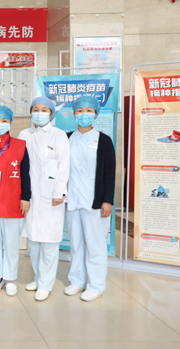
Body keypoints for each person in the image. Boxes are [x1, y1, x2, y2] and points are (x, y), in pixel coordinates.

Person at [64, 95, 115, 302]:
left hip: (95, 202)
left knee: (95, 245)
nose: (84, 114)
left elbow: (109, 173)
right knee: (76, 243)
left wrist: (107, 200)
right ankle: (77, 281)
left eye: (88, 110)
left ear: (95, 113)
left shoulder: (103, 140)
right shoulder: (67, 138)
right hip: (73, 200)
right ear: (74, 113)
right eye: (79, 111)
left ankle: (96, 285)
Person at [18, 97, 70, 301]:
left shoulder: (58, 135)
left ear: (51, 113)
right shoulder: (25, 134)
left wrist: (59, 192)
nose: (39, 113)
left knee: (49, 242)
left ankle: (46, 284)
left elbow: (64, 165)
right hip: (31, 195)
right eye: (35, 109)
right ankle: (38, 278)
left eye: (44, 109)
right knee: (34, 241)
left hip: (51, 196)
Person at [0, 105, 31, 298]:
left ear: (10, 123)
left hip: (13, 203)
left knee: (11, 243)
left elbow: (26, 174)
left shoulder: (20, 146)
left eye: (4, 121)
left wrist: (26, 197)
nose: (0, 124)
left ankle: (10, 279)